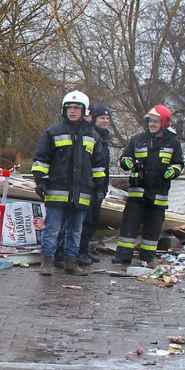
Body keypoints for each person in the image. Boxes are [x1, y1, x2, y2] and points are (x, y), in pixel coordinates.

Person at [31, 90, 105, 276]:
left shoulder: (93, 135)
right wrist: (41, 182)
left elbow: (98, 165)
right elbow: (41, 159)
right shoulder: (53, 132)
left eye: (76, 108)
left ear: (84, 110)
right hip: (58, 189)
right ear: (64, 110)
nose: (72, 111)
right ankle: (47, 262)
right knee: (52, 228)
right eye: (69, 107)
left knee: (75, 230)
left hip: (82, 191)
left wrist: (99, 188)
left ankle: (71, 262)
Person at [114, 104, 184, 266]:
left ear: (165, 123)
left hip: (158, 194)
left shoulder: (173, 143)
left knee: (152, 229)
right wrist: (126, 162)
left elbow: (178, 164)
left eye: (156, 121)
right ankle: (123, 257)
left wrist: (173, 171)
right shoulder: (137, 140)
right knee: (129, 227)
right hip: (137, 194)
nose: (151, 124)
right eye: (150, 121)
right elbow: (125, 159)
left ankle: (147, 257)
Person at [76, 105, 113, 266]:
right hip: (88, 185)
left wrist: (102, 186)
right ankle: (79, 251)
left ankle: (85, 251)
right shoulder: (91, 135)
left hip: (99, 185)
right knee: (85, 220)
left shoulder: (104, 138)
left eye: (107, 118)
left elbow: (103, 166)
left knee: (92, 221)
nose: (105, 121)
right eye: (101, 118)